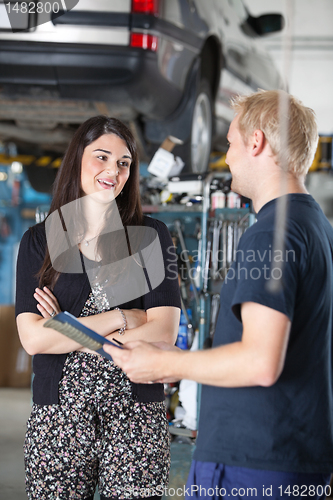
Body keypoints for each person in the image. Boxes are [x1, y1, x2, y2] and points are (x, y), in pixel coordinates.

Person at [105, 90, 333, 499]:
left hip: (251, 462)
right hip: (295, 457)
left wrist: (161, 362)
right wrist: (180, 361)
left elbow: (261, 361)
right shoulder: (317, 228)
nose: (226, 158)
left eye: (229, 143)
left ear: (257, 142)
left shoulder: (271, 233)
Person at [15, 115, 181, 500]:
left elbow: (163, 333)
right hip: (59, 416)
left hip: (136, 415)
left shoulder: (153, 237)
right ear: (77, 160)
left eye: (124, 163)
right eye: (102, 157)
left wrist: (65, 326)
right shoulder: (39, 241)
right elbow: (34, 340)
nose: (113, 171)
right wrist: (121, 318)